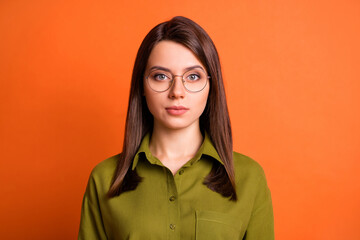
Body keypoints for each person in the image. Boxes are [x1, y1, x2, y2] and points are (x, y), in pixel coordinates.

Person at [78, 16, 274, 240]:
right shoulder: (104, 179)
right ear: (142, 85)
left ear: (211, 86)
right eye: (161, 76)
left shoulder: (249, 178)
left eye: (193, 76)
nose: (177, 91)